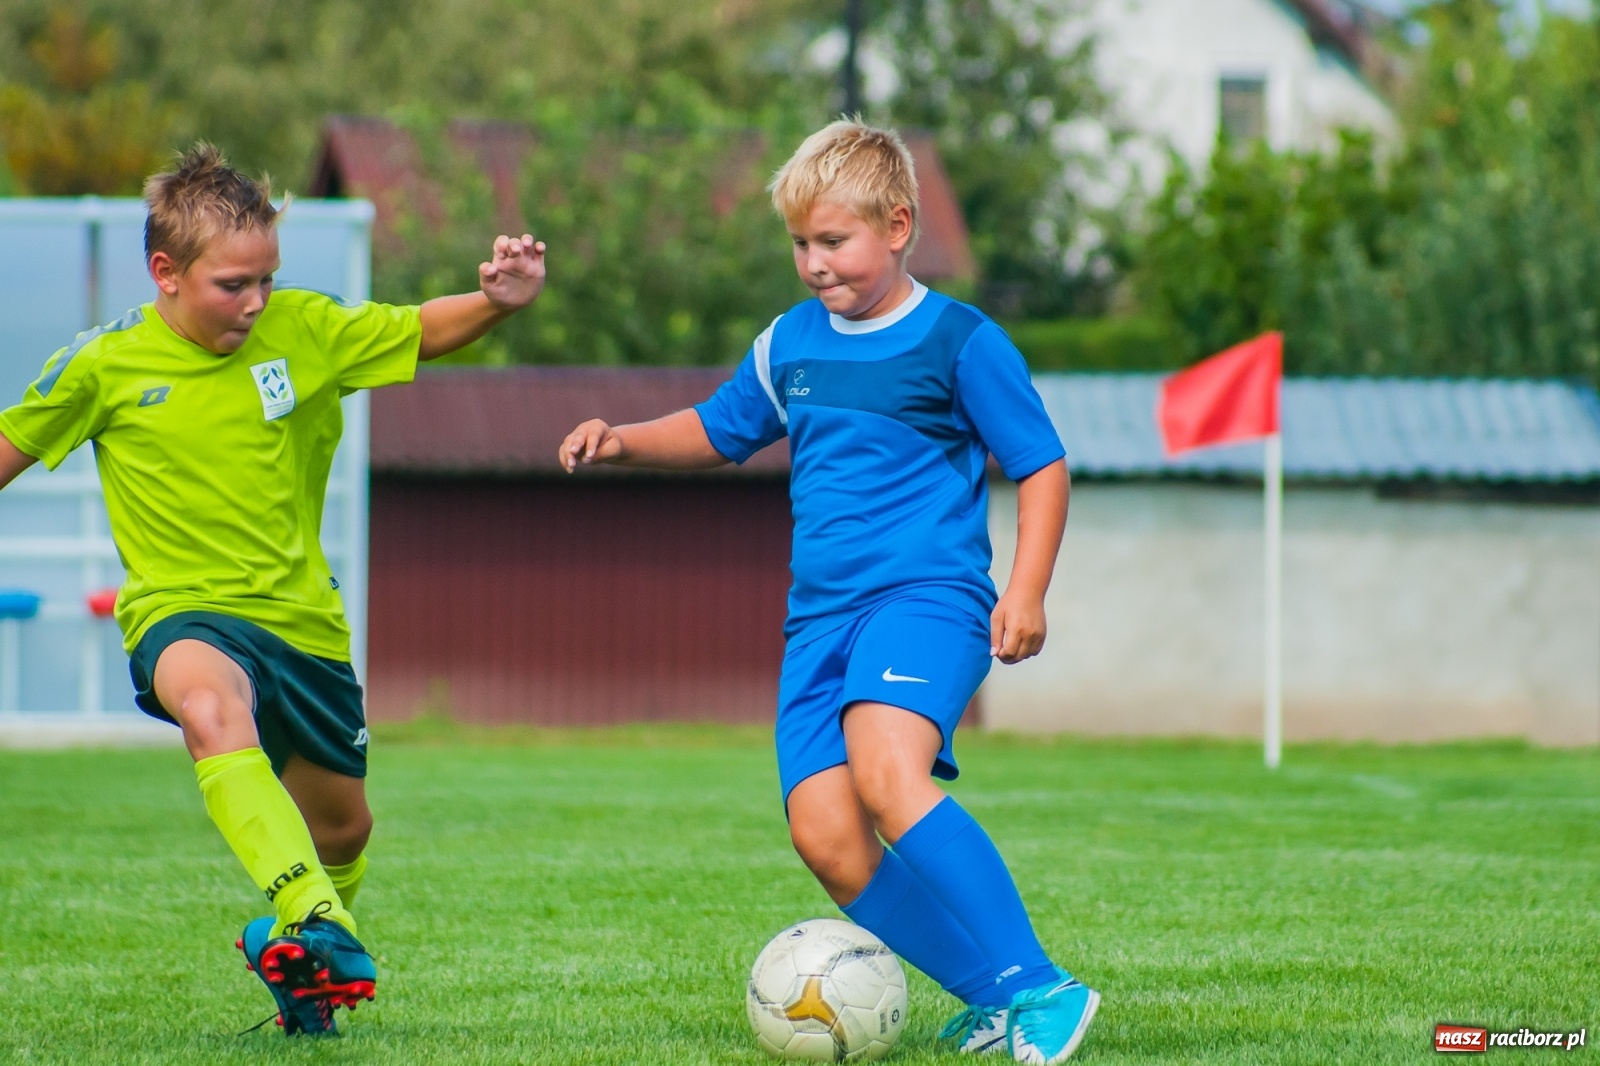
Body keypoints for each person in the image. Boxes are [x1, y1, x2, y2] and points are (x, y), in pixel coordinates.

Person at [558, 120, 1095, 1064]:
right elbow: (722, 429)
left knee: (889, 773)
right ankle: (988, 998)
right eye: (800, 243)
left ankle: (1040, 987)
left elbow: (1042, 465)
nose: (814, 263)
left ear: (898, 226)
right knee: (827, 838)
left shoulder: (961, 340)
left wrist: (1027, 591)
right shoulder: (789, 343)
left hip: (927, 600)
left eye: (833, 241)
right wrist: (624, 437)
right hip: (818, 624)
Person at [0, 144, 546, 1037]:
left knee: (345, 831)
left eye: (266, 280)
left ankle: (293, 956)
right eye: (232, 285)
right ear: (165, 273)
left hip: (305, 625)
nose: (255, 302)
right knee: (214, 710)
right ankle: (318, 921)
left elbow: (417, 329)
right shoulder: (103, 365)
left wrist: (495, 301)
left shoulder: (306, 329)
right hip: (183, 614)